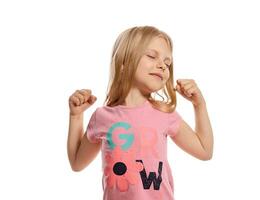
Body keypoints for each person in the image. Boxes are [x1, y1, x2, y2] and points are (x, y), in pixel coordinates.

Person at [67, 25, 214, 200]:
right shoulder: (102, 117)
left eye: (168, 63)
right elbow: (77, 163)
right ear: (124, 63)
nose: (163, 66)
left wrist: (199, 104)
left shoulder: (164, 114)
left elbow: (205, 151)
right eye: (152, 56)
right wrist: (76, 116)